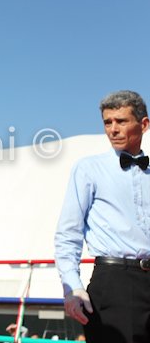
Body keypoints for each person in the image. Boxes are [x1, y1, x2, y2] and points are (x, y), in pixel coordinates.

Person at [54, 90, 150, 343]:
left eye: (121, 121)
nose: (113, 130)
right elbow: (68, 234)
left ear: (144, 124)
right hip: (114, 283)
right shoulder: (88, 169)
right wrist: (72, 287)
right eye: (108, 122)